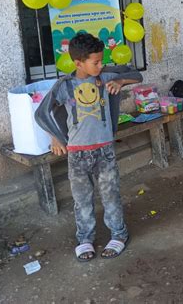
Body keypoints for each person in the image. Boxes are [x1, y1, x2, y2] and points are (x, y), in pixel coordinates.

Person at [35, 33, 142, 261]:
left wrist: (120, 82)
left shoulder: (106, 76)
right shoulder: (65, 85)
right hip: (77, 153)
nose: (100, 65)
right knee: (82, 199)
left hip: (104, 149)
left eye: (101, 60)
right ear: (78, 63)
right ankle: (85, 239)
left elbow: (136, 74)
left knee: (110, 194)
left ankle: (119, 235)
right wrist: (56, 137)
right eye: (95, 62)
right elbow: (42, 113)